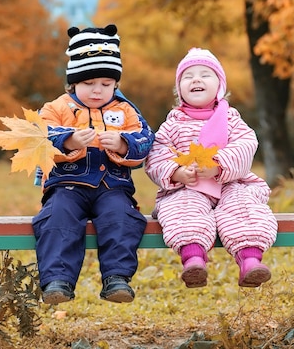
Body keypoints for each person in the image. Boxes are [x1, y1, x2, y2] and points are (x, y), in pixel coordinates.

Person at [32, 24, 155, 305]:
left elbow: (146, 138)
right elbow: (38, 134)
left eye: (106, 84)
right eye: (89, 84)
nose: (98, 90)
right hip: (67, 185)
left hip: (112, 186)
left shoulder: (124, 110)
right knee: (57, 218)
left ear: (116, 84)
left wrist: (125, 145)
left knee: (121, 217)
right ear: (73, 83)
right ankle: (57, 280)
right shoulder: (58, 107)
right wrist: (69, 141)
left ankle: (117, 277)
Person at [145, 47, 278, 288]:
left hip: (230, 182)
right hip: (190, 185)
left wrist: (219, 165)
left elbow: (246, 143)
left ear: (220, 86)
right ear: (179, 90)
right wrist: (176, 172)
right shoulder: (173, 123)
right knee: (183, 207)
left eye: (205, 74)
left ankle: (250, 261)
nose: (196, 79)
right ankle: (193, 259)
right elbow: (157, 152)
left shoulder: (231, 118)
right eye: (188, 76)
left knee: (243, 205)